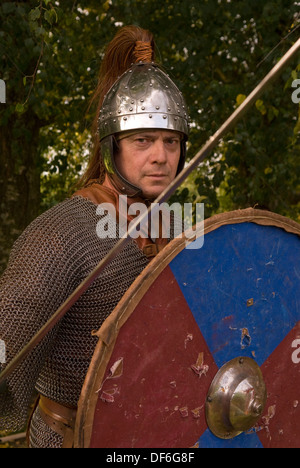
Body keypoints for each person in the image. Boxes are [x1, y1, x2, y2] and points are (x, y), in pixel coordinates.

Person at [0, 25, 189, 448]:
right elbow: (7, 336)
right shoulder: (63, 233)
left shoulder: (181, 231)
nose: (161, 156)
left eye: (171, 141)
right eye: (143, 140)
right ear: (113, 148)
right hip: (76, 438)